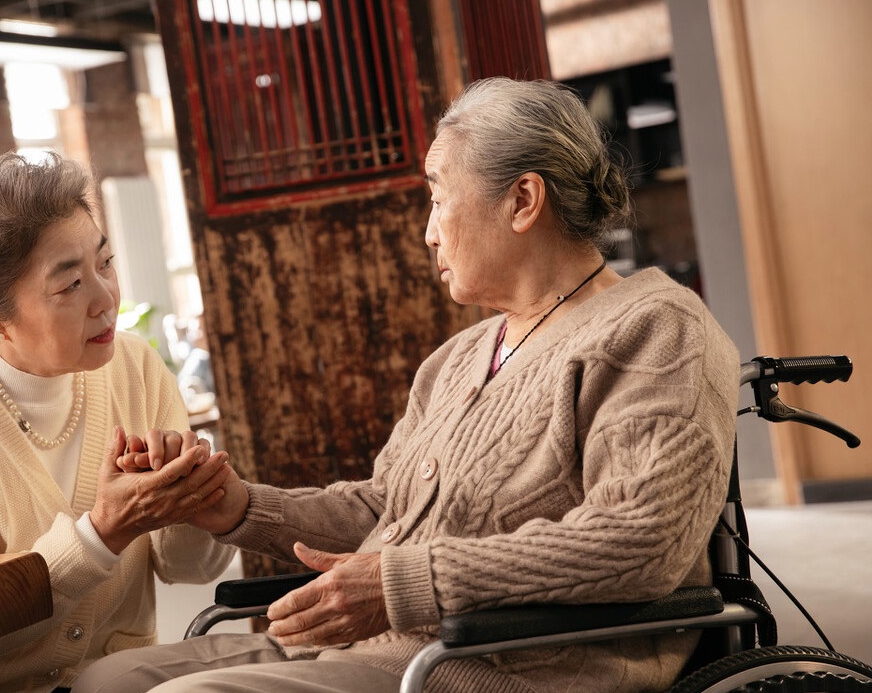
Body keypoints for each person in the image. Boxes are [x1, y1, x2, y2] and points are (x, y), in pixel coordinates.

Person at [71, 77, 740, 693]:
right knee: (107, 681)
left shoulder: (656, 328)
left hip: (510, 665)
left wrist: (404, 582)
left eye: (438, 197)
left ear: (523, 199)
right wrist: (239, 504)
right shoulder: (459, 358)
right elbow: (384, 508)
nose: (427, 232)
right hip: (386, 649)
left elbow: (640, 540)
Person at [0, 152, 237, 692]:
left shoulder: (136, 368)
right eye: (69, 285)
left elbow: (189, 568)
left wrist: (201, 498)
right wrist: (101, 535)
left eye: (104, 263)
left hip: (114, 681)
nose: (105, 300)